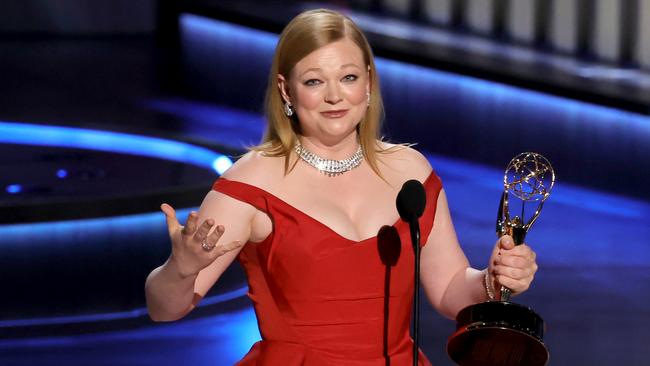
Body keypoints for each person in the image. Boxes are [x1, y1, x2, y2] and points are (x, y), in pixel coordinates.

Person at [145, 8, 538, 365]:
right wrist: (181, 268)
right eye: (314, 81)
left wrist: (492, 279)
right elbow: (164, 308)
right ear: (286, 91)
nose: (334, 96)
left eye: (348, 77)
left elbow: (451, 289)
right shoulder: (251, 182)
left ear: (368, 82)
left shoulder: (409, 171)